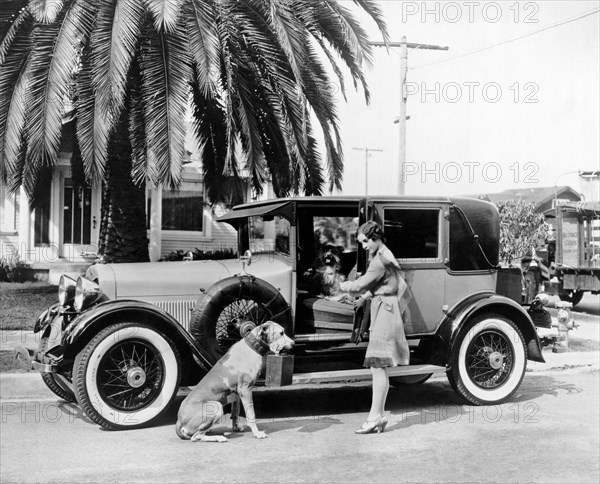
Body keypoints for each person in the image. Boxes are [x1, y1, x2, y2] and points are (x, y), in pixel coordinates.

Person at [339, 221, 409, 434]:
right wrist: (367, 297)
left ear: (373, 238)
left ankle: (375, 417)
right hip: (385, 309)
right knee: (379, 367)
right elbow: (387, 284)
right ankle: (377, 416)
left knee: (377, 366)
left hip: (385, 312)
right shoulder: (385, 254)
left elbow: (360, 285)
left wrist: (339, 285)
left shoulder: (379, 260)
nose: (363, 246)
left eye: (364, 242)